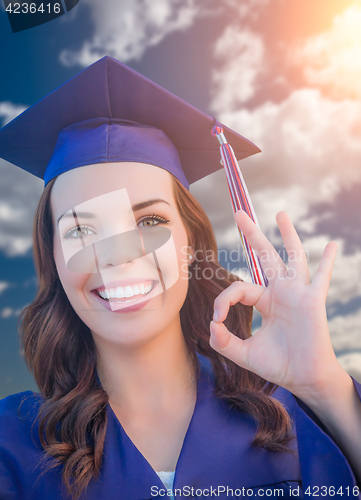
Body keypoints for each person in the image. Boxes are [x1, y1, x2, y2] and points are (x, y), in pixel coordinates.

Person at [0, 56, 360, 500]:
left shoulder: (288, 415)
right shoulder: (11, 447)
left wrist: (324, 384)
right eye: (82, 230)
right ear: (52, 257)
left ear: (190, 242)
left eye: (149, 221)